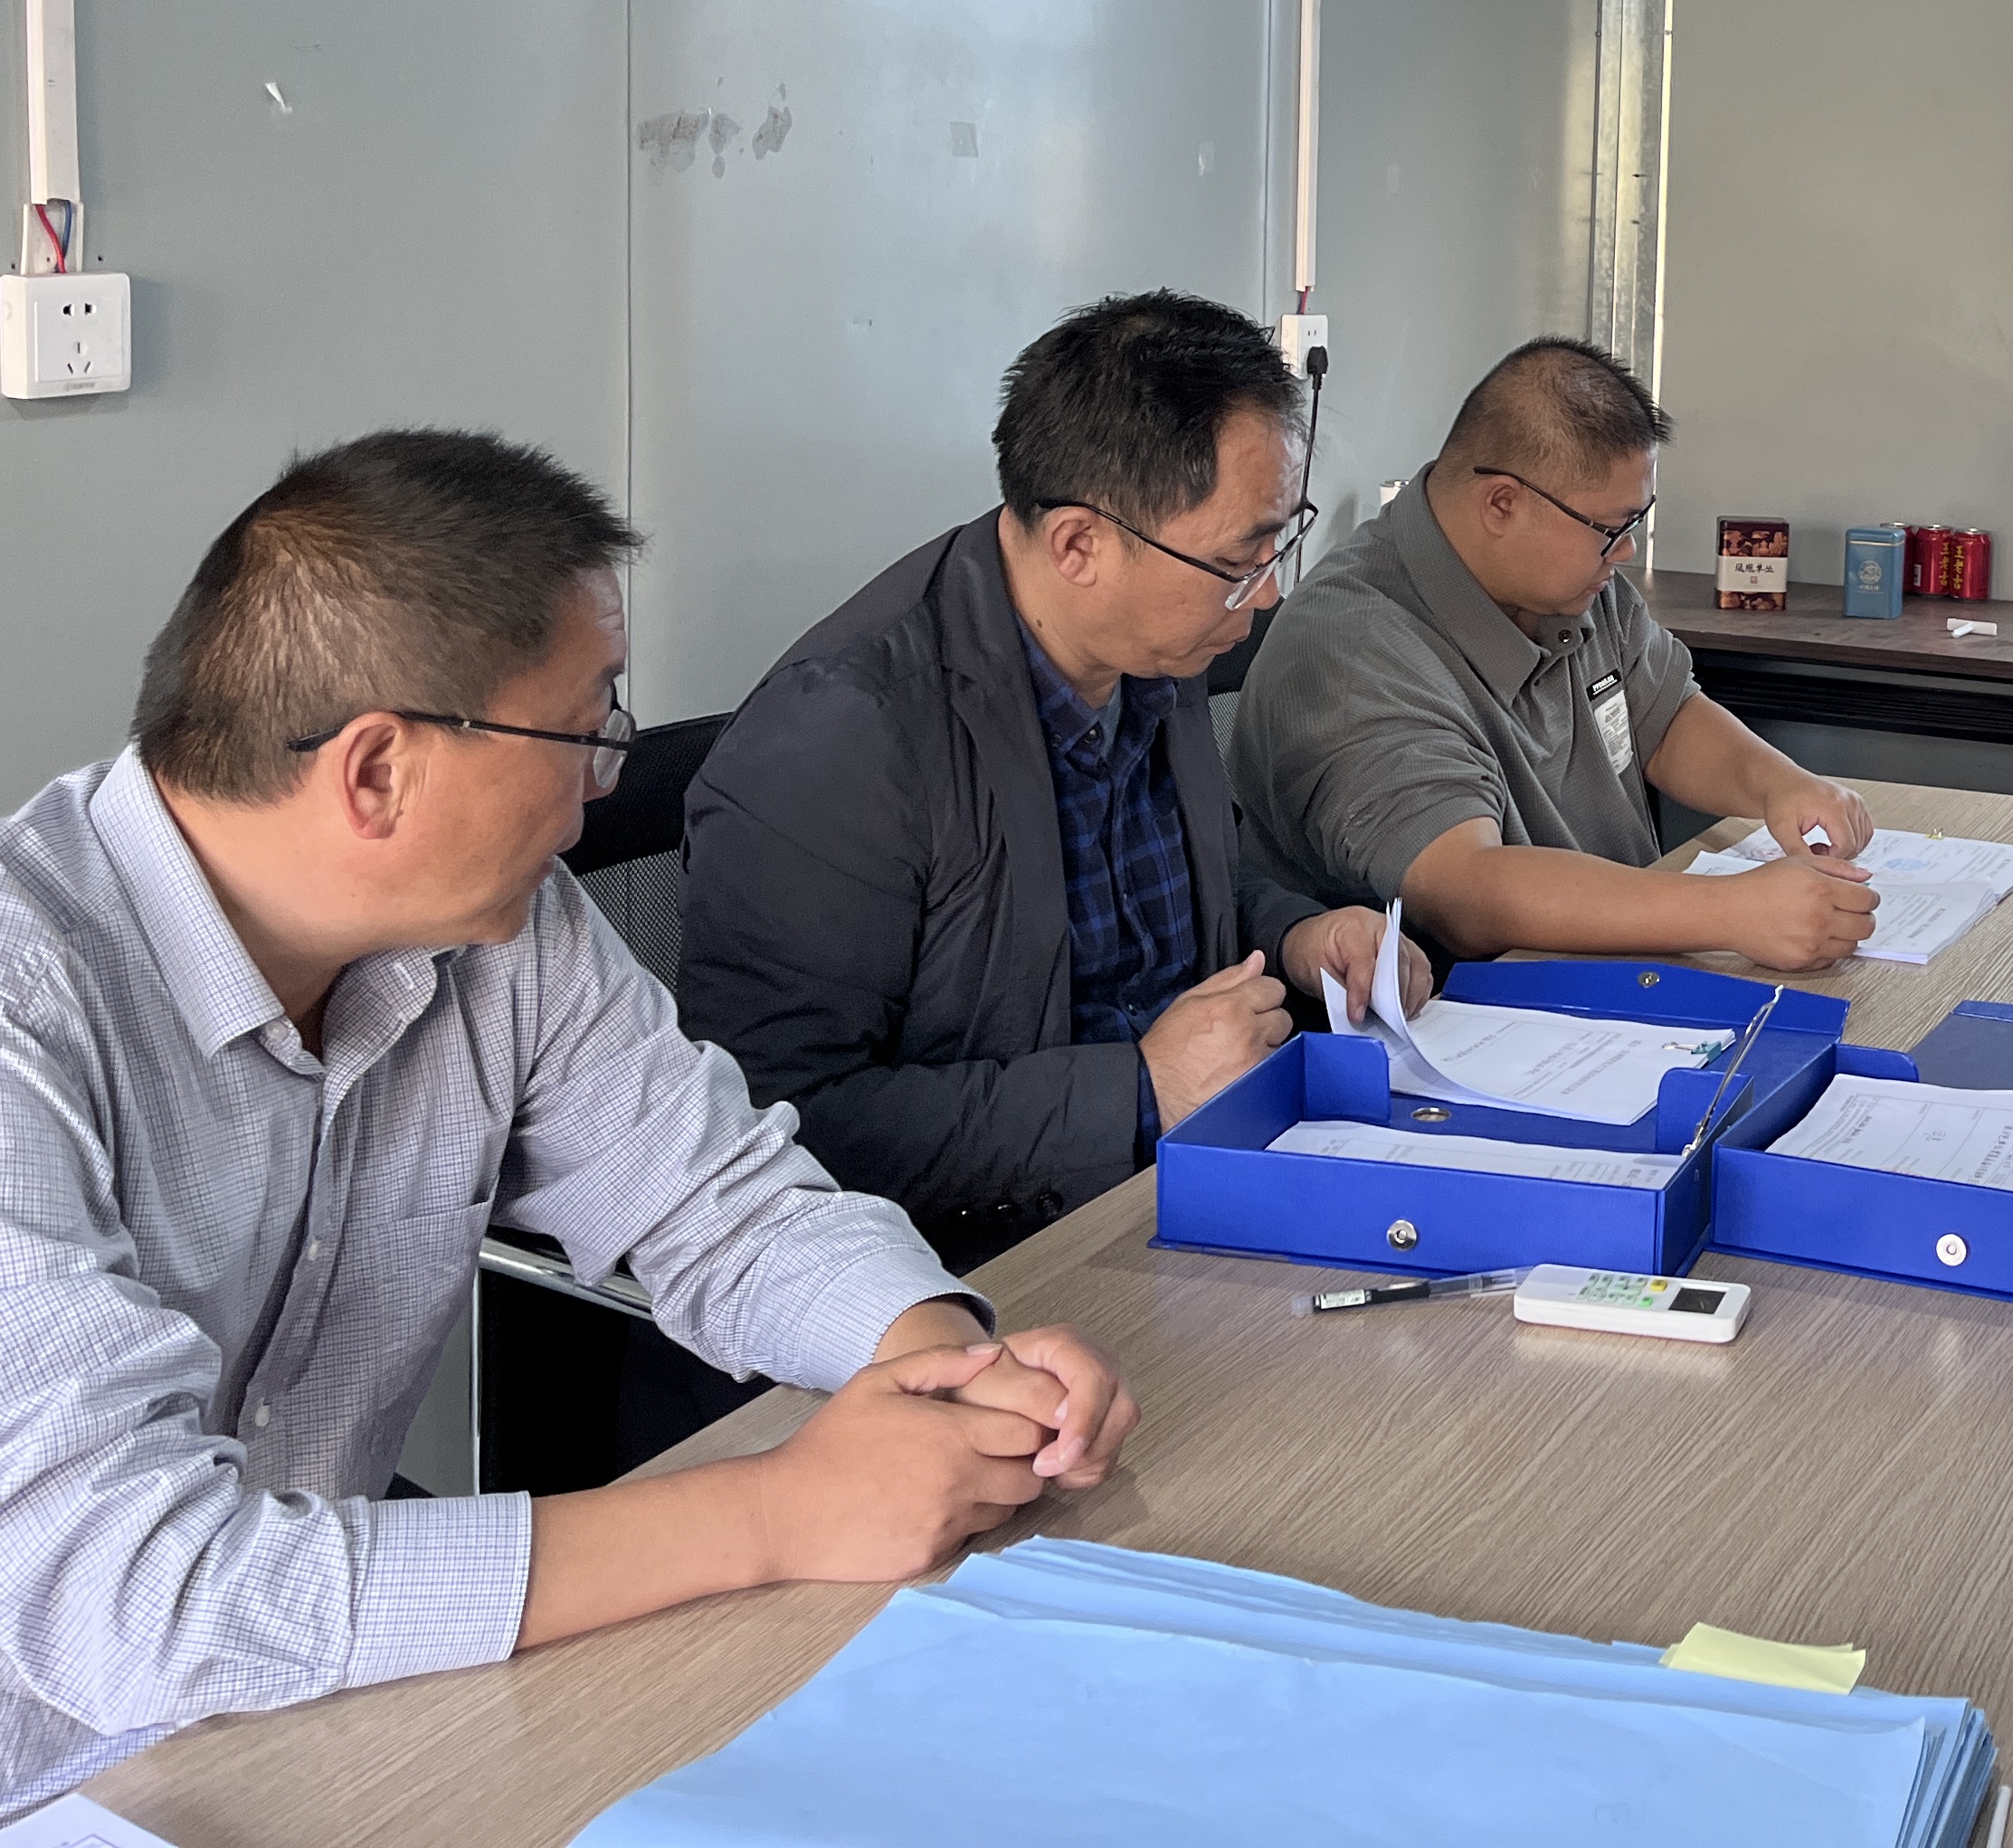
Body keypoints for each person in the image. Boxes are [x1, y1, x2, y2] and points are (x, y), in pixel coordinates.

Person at [0, 431, 1137, 1816]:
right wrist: (774, 1511)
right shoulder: (26, 1010)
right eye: (586, 729)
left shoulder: (502, 931)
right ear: (377, 771)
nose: (607, 778)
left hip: (320, 1720)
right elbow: (132, 1597)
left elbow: (715, 1201)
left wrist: (942, 1360)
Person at [677, 292, 1417, 1270]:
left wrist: (1297, 934)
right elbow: (771, 1125)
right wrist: (1139, 1090)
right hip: (969, 1266)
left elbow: (1185, 888)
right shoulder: (846, 736)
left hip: (1188, 1187)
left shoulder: (1157, 644)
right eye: (1242, 558)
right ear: (1078, 546)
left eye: (1278, 540)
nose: (1271, 589)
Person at [1233, 336, 1878, 971]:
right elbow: (1464, 890)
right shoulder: (1350, 651)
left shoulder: (1569, 584)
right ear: (1502, 504)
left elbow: (1665, 720)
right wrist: (1730, 912)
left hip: (1621, 974)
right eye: (1611, 528)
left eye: (1636, 520)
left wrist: (1783, 787)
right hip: (1469, 1015)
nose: (1627, 550)